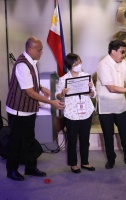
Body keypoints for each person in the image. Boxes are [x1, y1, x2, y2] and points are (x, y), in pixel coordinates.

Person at [5, 37, 65, 181]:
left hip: (29, 109)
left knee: (29, 140)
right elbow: (29, 92)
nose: (41, 52)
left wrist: (41, 87)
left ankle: (30, 168)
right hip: (19, 110)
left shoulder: (31, 62)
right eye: (39, 50)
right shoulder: (22, 65)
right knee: (16, 142)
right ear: (30, 49)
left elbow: (30, 83)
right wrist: (51, 102)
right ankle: (11, 170)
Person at [97, 40, 126, 169]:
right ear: (113, 51)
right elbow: (112, 88)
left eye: (124, 52)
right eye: (122, 52)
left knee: (125, 134)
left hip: (120, 105)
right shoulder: (103, 64)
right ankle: (111, 159)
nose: (123, 55)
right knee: (108, 135)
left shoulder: (123, 63)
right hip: (106, 106)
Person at [56, 53, 96, 174]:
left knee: (85, 139)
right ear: (69, 66)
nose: (79, 65)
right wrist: (62, 93)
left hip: (86, 111)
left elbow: (94, 93)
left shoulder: (86, 76)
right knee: (72, 140)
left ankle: (85, 162)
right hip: (71, 113)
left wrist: (90, 91)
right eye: (75, 64)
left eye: (79, 62)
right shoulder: (63, 79)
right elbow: (57, 95)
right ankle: (73, 164)